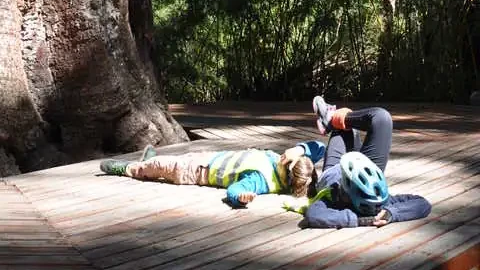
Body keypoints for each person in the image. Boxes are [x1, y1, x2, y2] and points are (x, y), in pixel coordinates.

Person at [304, 96, 432, 228]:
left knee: (344, 130)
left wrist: (360, 220)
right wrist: (391, 213)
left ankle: (332, 120)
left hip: (335, 166)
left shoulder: (335, 198)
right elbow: (423, 204)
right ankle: (332, 119)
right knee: (381, 118)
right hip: (366, 168)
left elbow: (314, 215)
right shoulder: (380, 202)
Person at [99, 138, 325, 207]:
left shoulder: (261, 180)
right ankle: (148, 164)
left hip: (197, 171)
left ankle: (127, 169)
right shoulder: (290, 163)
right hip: (212, 157)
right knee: (164, 162)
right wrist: (300, 149)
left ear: (287, 176)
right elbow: (320, 147)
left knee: (162, 166)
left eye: (287, 162)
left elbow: (235, 189)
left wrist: (241, 198)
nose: (283, 158)